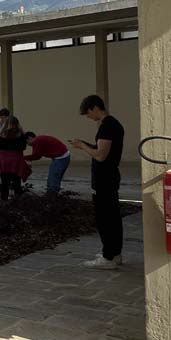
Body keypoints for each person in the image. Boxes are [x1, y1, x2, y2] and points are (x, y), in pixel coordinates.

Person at [70, 95, 124, 269]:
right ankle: (114, 253)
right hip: (109, 176)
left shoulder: (107, 126)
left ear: (95, 108)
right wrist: (85, 144)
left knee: (105, 217)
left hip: (104, 179)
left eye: (88, 113)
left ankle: (108, 257)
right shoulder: (113, 124)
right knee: (112, 216)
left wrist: (82, 146)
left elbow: (101, 155)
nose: (88, 117)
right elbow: (102, 148)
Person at [0, 116, 31, 200]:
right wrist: (21, 131)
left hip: (3, 161)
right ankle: (17, 201)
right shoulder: (20, 136)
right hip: (16, 161)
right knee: (17, 182)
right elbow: (23, 147)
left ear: (5, 124)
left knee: (4, 183)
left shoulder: (0, 136)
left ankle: (4, 201)